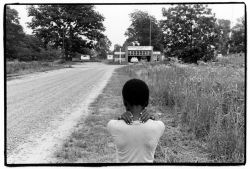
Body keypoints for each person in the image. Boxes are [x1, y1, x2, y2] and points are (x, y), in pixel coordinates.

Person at [107, 79, 165, 163]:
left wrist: (120, 117)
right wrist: (152, 117)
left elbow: (112, 122)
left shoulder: (113, 126)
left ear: (124, 102)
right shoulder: (158, 127)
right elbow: (159, 122)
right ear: (147, 102)